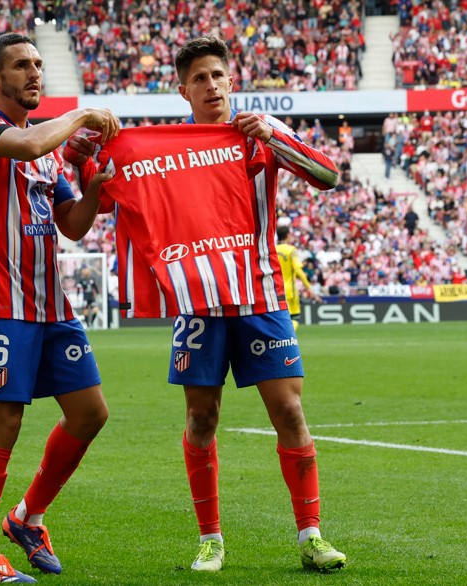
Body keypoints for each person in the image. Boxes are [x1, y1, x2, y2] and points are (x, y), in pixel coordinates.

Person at [65, 35, 347, 574]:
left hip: (260, 294)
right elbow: (85, 175)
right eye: (199, 78)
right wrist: (88, 138)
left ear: (231, 80)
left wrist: (272, 139)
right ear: (183, 90)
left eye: (218, 74)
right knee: (201, 417)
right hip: (197, 302)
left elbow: (329, 176)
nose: (211, 85)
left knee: (289, 410)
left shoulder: (261, 132)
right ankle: (211, 539)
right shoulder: (165, 146)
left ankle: (312, 536)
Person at [0, 32, 119, 583]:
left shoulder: (46, 152)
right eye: (22, 65)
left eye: (39, 64)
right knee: (3, 426)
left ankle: (26, 518)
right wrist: (81, 116)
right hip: (0, 302)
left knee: (90, 413)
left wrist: (95, 184)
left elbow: (71, 225)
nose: (35, 73)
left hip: (52, 306)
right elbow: (20, 147)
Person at [276, 225, 321, 331]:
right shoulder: (291, 250)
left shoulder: (273, 249)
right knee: (295, 317)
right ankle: (288, 339)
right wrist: (310, 289)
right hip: (289, 290)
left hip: (275, 290)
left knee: (279, 318)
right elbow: (299, 271)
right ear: (287, 235)